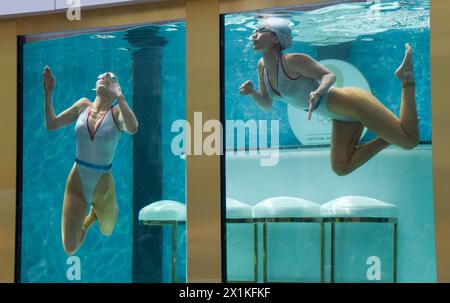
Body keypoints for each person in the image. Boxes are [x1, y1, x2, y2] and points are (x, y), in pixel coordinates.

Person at [239, 17, 419, 176]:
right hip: (341, 117)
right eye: (255, 31)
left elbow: (329, 76)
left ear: (276, 37)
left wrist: (318, 92)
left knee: (409, 141)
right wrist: (253, 93)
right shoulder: (261, 66)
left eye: (261, 30)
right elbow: (267, 104)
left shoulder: (293, 61)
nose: (254, 35)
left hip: (354, 103)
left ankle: (406, 78)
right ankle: (389, 136)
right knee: (341, 167)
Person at [43, 66, 139, 255]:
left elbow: (133, 127)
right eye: (103, 75)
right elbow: (51, 124)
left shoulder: (117, 111)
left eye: (111, 78)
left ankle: (97, 213)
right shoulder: (82, 106)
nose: (105, 77)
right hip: (77, 180)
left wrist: (121, 97)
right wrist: (48, 93)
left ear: (115, 88)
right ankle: (89, 219)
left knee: (107, 230)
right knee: (69, 248)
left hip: (103, 186)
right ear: (95, 85)